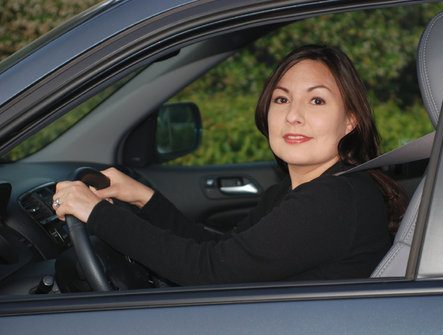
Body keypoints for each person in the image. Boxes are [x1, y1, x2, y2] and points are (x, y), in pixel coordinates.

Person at [52, 45, 407, 287]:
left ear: (350, 121)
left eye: (316, 100)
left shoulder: (334, 200)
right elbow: (223, 252)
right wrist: (144, 198)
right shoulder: (300, 189)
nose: (293, 116)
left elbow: (209, 270)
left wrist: (98, 213)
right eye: (282, 99)